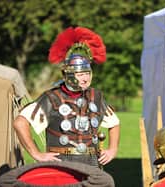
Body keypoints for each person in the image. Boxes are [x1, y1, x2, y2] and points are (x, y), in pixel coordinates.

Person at [13, 26, 120, 168]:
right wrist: (37, 154)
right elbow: (20, 123)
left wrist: (112, 149)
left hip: (92, 165)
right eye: (80, 74)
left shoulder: (96, 96)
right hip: (61, 166)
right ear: (69, 75)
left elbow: (114, 123)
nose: (85, 78)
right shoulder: (51, 98)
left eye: (87, 73)